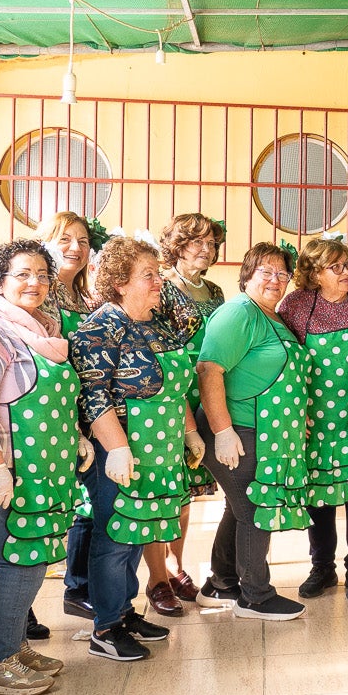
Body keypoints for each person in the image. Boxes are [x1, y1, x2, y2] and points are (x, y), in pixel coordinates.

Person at [0, 240, 84, 695]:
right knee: (20, 556)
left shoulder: (45, 329)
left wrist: (78, 436)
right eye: (22, 274)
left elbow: (59, 398)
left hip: (41, 469)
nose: (36, 283)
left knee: (32, 555)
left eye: (43, 274)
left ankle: (15, 646)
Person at [70, 236, 205, 661]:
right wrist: (116, 449)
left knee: (138, 532)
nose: (158, 282)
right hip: (119, 449)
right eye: (148, 275)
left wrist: (190, 433)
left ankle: (124, 612)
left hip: (160, 448)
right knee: (114, 535)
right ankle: (105, 627)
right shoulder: (99, 328)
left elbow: (176, 387)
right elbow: (94, 396)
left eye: (158, 273)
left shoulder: (157, 324)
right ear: (120, 283)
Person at [195, 243, 310, 622]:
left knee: (239, 507)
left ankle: (222, 582)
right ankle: (255, 596)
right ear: (246, 276)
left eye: (282, 274)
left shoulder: (272, 317)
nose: (276, 280)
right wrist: (223, 431)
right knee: (254, 511)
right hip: (240, 430)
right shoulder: (238, 312)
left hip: (268, 434)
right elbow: (209, 370)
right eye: (266, 272)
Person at [277, 235, 348, 602]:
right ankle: (322, 567)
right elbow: (284, 357)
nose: (346, 271)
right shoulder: (297, 305)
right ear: (315, 273)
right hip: (314, 417)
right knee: (319, 497)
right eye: (335, 266)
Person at [149, 213, 225, 615]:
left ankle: (178, 567)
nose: (206, 249)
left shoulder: (214, 289)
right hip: (170, 393)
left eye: (212, 242)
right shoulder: (160, 288)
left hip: (206, 390)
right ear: (177, 245)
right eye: (197, 241)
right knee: (163, 488)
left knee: (187, 492)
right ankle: (156, 579)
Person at [42, 212, 99, 618]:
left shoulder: (85, 299)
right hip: (49, 414)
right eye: (64, 239)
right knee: (29, 510)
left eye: (81, 240)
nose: (75, 248)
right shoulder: (37, 292)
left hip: (88, 410)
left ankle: (78, 587)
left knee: (88, 503)